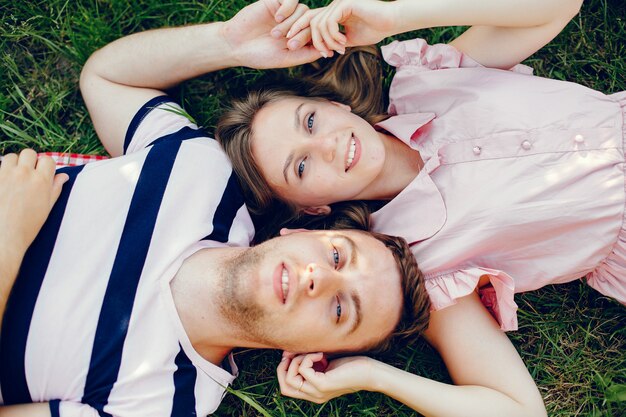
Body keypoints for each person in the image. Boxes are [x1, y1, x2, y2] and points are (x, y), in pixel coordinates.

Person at [0, 2, 429, 416]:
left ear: (311, 355)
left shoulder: (163, 402)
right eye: (337, 255)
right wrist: (229, 44)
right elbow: (107, 79)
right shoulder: (201, 171)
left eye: (340, 309)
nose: (319, 278)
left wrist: (10, 239)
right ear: (300, 234)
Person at [215, 0, 624, 415]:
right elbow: (519, 410)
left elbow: (557, 7)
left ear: (335, 106)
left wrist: (398, 17)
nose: (326, 144)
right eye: (301, 166)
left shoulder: (427, 81)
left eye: (310, 122)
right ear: (312, 209)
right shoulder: (417, 263)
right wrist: (375, 377)